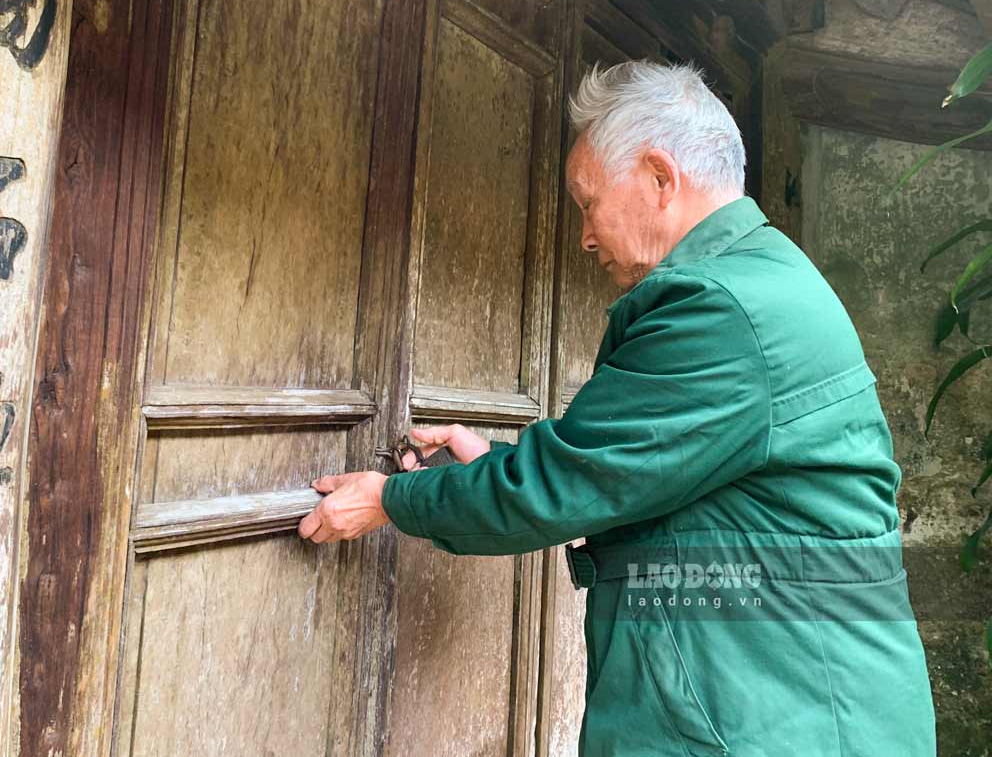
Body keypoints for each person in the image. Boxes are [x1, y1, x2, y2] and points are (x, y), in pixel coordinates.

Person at [297, 60, 937, 755]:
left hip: (782, 716)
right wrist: (505, 464)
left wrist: (394, 498)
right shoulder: (762, 278)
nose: (585, 237)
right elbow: (653, 471)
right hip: (796, 700)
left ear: (661, 180)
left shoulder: (721, 309)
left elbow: (571, 485)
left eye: (587, 202)